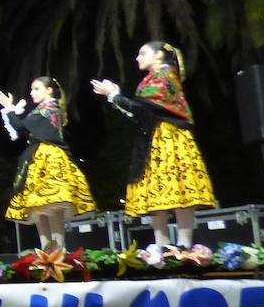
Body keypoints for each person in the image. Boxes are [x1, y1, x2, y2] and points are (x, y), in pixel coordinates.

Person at [92, 41, 215, 247]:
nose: (137, 58)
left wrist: (114, 95)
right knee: (159, 190)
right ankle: (163, 245)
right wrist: (116, 96)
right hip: (154, 138)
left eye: (143, 53)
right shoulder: (151, 80)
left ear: (158, 55)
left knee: (178, 188)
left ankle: (183, 246)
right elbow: (141, 113)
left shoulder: (163, 77)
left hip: (168, 138)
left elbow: (144, 111)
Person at [0, 78, 97, 250]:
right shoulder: (43, 110)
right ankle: (47, 252)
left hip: (48, 158)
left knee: (52, 203)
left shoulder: (48, 109)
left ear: (49, 90)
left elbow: (20, 127)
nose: (31, 93)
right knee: (39, 205)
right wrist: (14, 111)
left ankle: (58, 250)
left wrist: (10, 108)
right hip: (39, 157)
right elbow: (24, 127)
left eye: (36, 89)